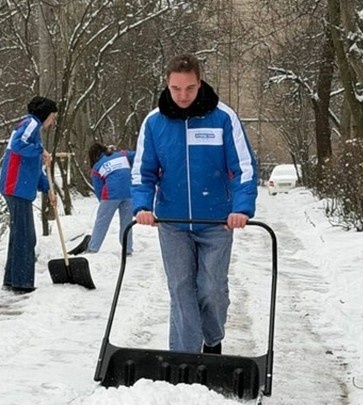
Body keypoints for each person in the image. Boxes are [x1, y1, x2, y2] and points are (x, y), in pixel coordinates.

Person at [131, 54, 257, 355]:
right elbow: (142, 171)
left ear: (199, 83)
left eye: (189, 88)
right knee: (181, 290)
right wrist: (141, 206)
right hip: (173, 223)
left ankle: (212, 342)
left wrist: (241, 208)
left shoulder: (223, 118)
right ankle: (184, 358)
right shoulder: (154, 123)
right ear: (167, 84)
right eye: (176, 88)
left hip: (217, 222)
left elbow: (244, 168)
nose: (183, 95)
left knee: (212, 289)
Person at [0, 96, 58, 293]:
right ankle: (22, 283)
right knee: (26, 237)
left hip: (17, 187)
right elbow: (18, 145)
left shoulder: (32, 128)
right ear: (46, 114)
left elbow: (32, 168)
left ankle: (13, 280)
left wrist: (48, 188)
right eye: (53, 117)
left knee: (19, 235)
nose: (53, 122)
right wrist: (41, 151)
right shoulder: (32, 123)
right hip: (16, 187)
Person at [71, 142, 136, 256]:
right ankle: (127, 249)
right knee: (127, 223)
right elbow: (137, 155)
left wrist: (103, 203)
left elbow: (99, 189)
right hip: (129, 192)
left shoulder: (97, 167)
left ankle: (93, 248)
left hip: (110, 194)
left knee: (102, 222)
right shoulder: (122, 155)